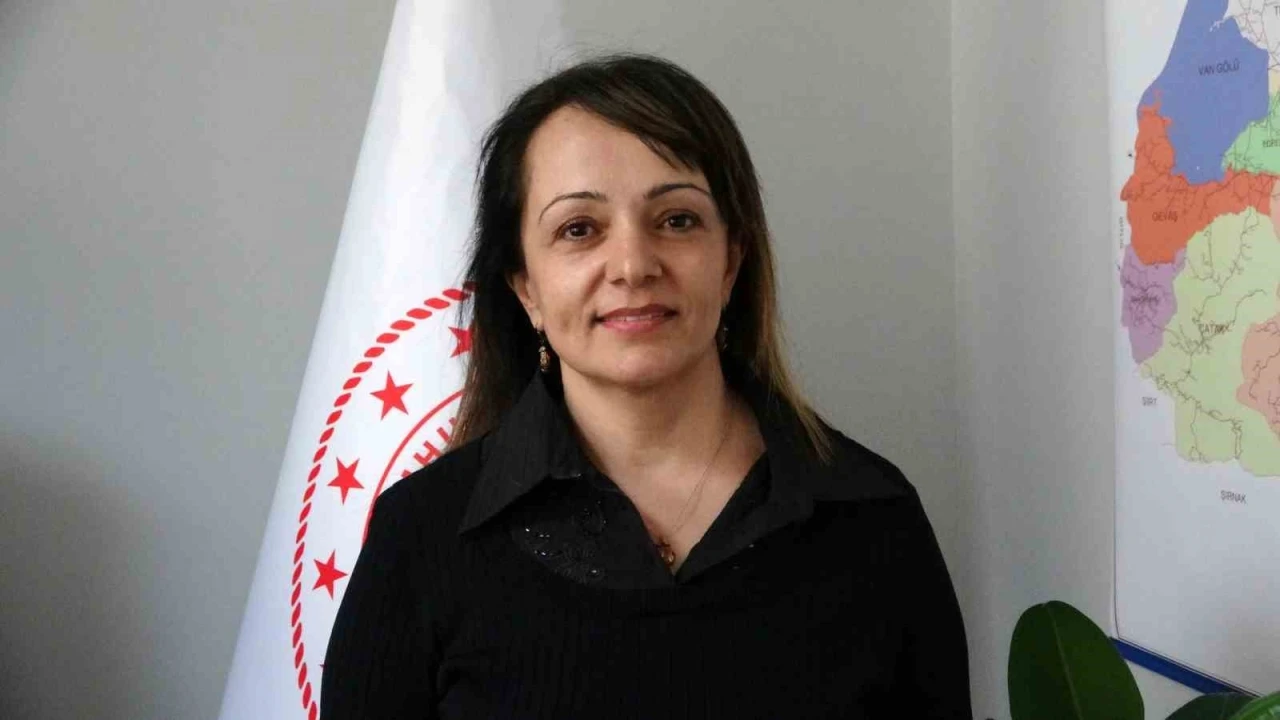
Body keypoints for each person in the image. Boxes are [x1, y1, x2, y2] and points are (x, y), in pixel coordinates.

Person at [321, 52, 970, 718]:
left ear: (731, 261)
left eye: (677, 220)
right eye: (579, 229)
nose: (632, 265)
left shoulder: (873, 517)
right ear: (525, 287)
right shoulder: (421, 536)